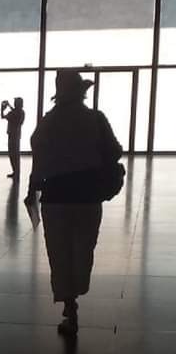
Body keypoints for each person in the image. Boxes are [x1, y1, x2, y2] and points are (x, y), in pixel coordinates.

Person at [24, 69, 123, 337]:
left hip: (56, 196)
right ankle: (76, 291)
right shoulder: (96, 119)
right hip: (88, 195)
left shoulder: (48, 123)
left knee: (59, 251)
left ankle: (69, 306)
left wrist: (32, 189)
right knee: (83, 248)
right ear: (82, 92)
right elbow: (115, 151)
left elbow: (38, 160)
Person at [0, 96, 25, 178]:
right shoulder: (22, 113)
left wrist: (2, 109)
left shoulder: (13, 113)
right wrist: (9, 106)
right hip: (17, 135)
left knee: (13, 154)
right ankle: (16, 171)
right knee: (15, 154)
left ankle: (15, 171)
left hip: (12, 135)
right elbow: (15, 113)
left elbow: (3, 116)